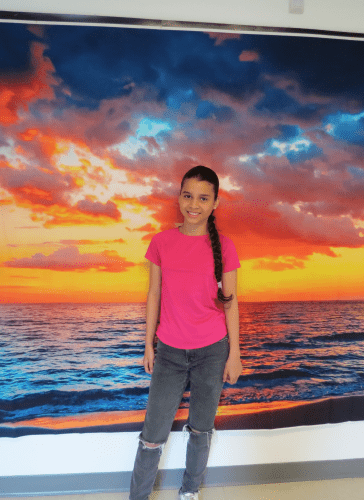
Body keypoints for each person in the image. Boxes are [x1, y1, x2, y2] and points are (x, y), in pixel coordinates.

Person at [129, 166, 242, 500]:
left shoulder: (226, 247)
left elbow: (231, 304)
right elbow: (154, 295)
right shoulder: (161, 242)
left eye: (204, 198)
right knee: (153, 434)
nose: (194, 204)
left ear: (215, 203)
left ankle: (189, 492)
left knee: (201, 430)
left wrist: (234, 354)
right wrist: (148, 345)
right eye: (188, 196)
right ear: (179, 198)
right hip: (169, 352)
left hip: (212, 352)